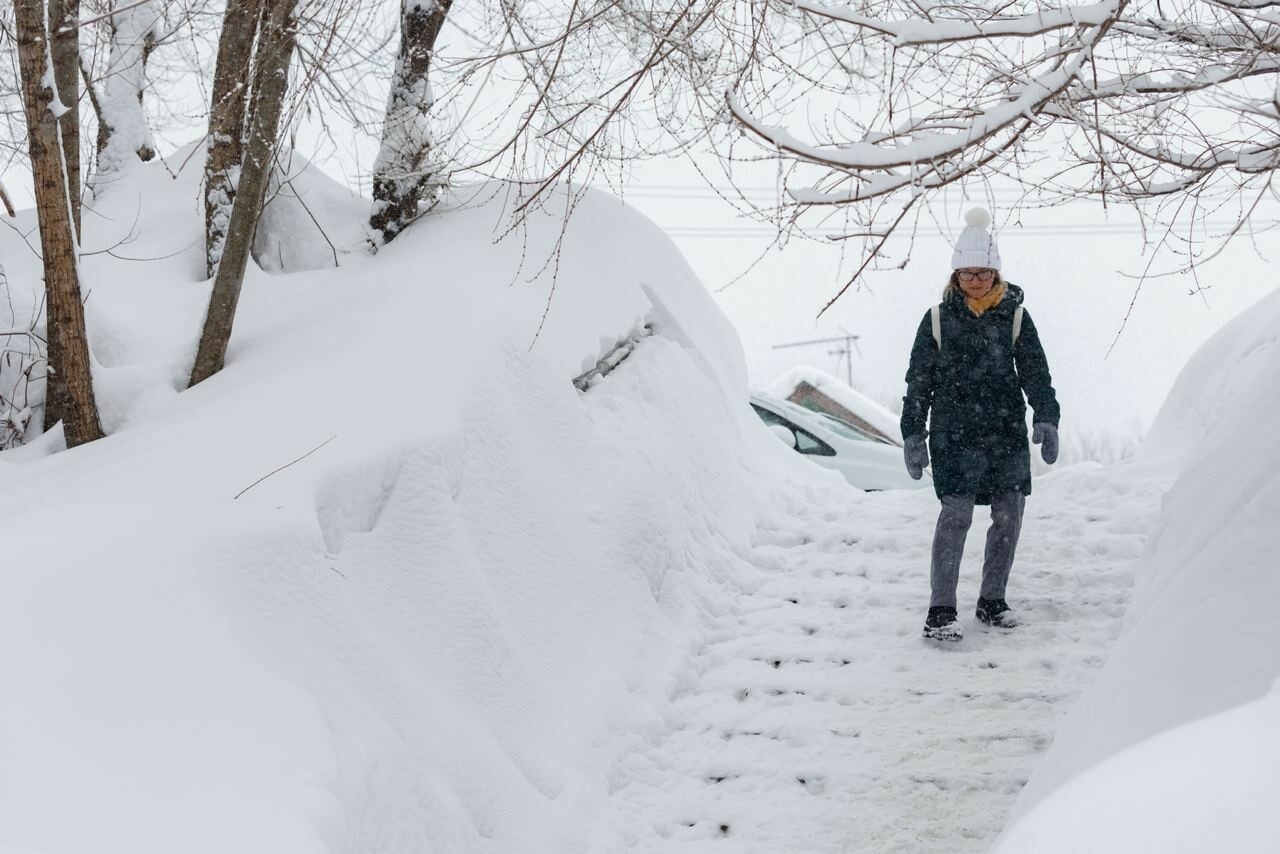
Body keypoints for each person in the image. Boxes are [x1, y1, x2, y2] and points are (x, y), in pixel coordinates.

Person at [900, 207, 1060, 642]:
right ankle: (941, 610)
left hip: (1005, 432)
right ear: (955, 276)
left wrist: (1047, 416)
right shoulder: (936, 319)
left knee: (1009, 516)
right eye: (967, 273)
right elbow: (919, 381)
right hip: (954, 434)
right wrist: (913, 432)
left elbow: (1035, 373)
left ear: (995, 273)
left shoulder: (1015, 318)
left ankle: (992, 601)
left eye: (983, 273)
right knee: (956, 516)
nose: (975, 281)